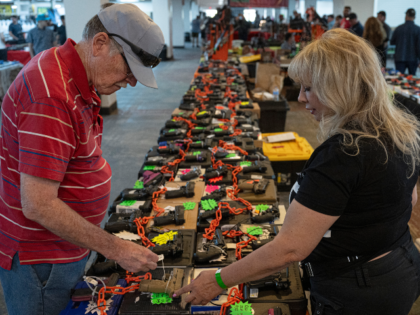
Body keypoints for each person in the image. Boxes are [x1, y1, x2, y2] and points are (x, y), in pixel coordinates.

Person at [174, 28, 420, 315]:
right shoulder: (399, 132)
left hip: (357, 290)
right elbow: (410, 200)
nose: (301, 98)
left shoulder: (343, 154)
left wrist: (216, 280)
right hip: (399, 266)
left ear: (338, 87)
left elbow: (291, 250)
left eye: (309, 88)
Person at [0, 3, 163, 314]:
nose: (130, 81)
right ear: (100, 43)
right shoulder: (51, 94)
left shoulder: (74, 79)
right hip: (42, 259)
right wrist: (116, 249)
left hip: (64, 247)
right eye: (128, 69)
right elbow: (38, 204)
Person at [391, 8, 420, 75]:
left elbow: (392, 42)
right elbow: (419, 46)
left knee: (399, 78)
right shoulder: (418, 29)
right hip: (413, 59)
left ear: (406, 16)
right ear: (414, 17)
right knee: (412, 80)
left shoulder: (398, 28)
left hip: (399, 57)